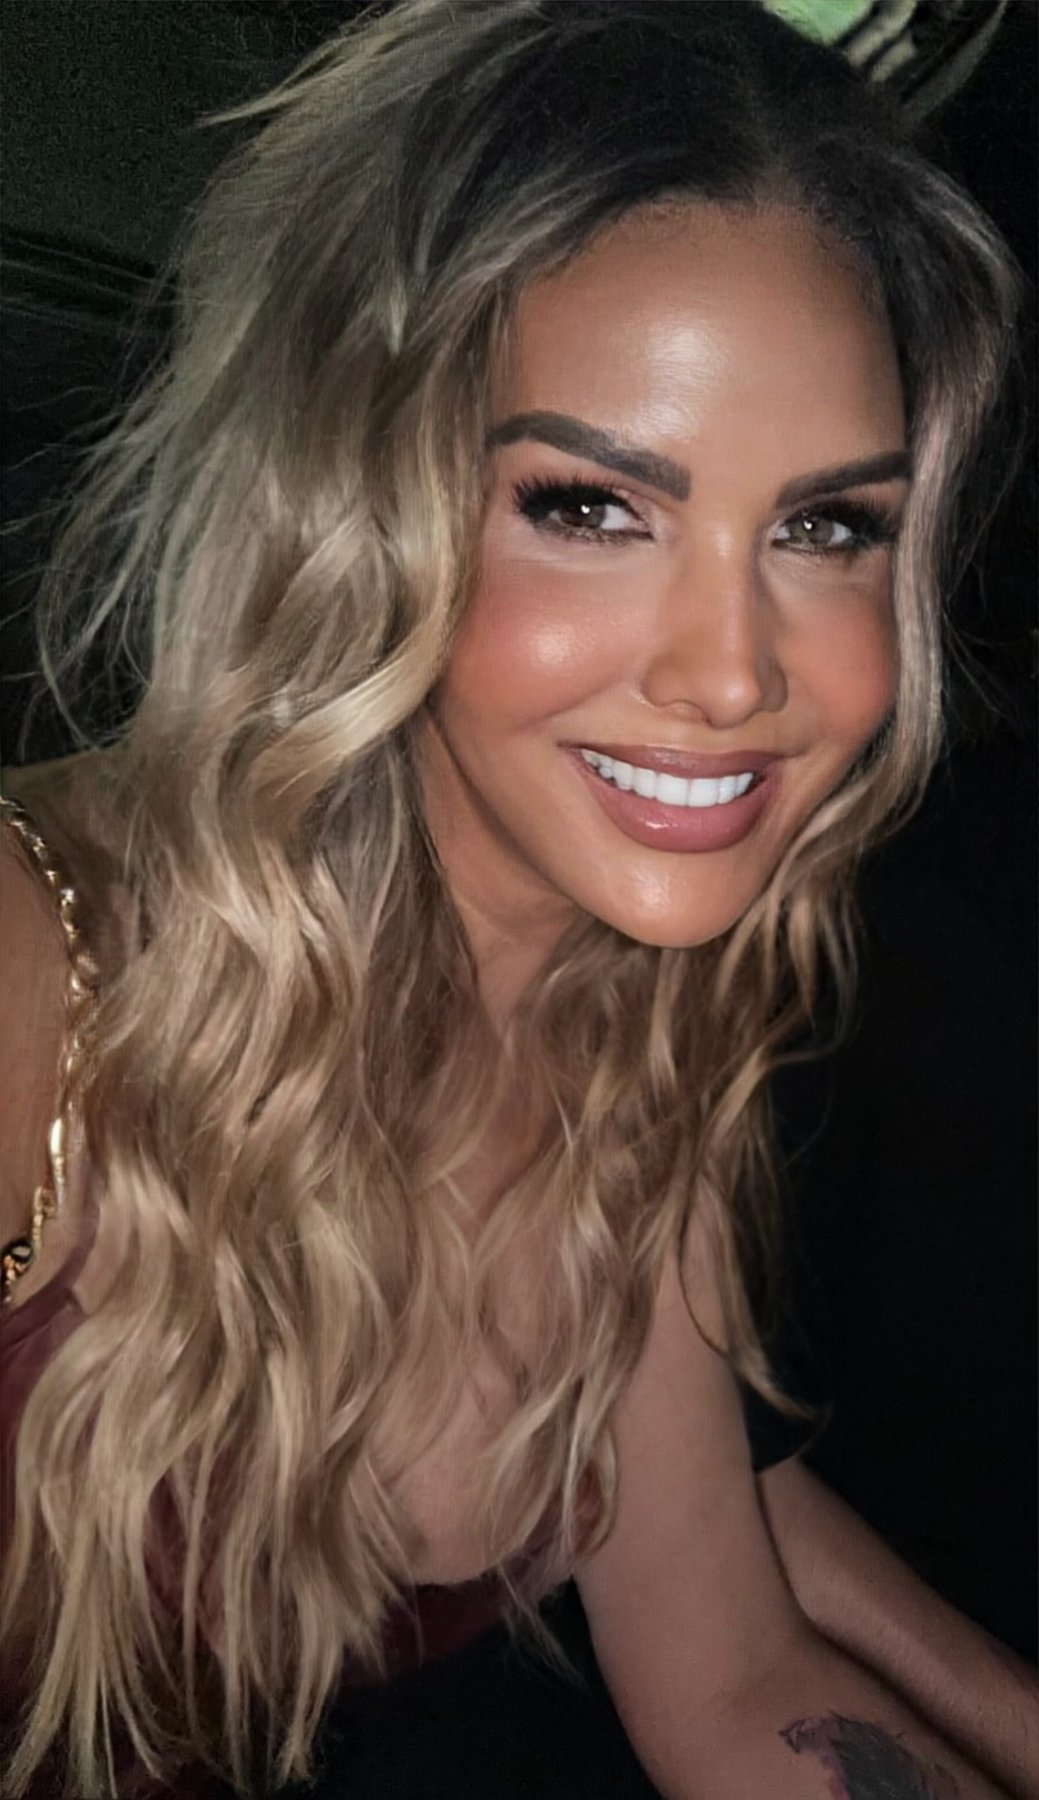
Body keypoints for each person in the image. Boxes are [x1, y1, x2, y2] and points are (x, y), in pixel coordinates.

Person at [0, 2, 1035, 1796]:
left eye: (827, 529)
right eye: (590, 507)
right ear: (354, 502)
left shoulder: (646, 1039)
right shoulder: (38, 963)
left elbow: (732, 1676)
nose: (733, 674)